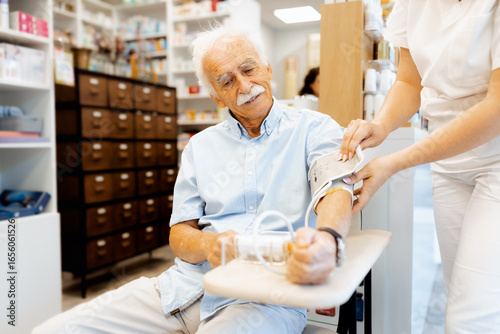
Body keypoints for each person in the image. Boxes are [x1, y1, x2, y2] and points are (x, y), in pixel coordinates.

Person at [33, 25, 353, 334]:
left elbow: (335, 189)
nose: (244, 86)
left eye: (249, 69)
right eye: (226, 81)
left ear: (267, 68)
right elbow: (179, 234)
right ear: (216, 96)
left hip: (266, 300)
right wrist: (208, 244)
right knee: (53, 330)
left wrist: (326, 240)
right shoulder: (200, 146)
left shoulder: (315, 129)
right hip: (183, 289)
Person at [339, 1, 500, 332]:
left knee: (470, 316)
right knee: (462, 291)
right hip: (448, 160)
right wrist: (380, 125)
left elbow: (496, 107)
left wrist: (396, 161)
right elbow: (410, 82)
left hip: (496, 157)